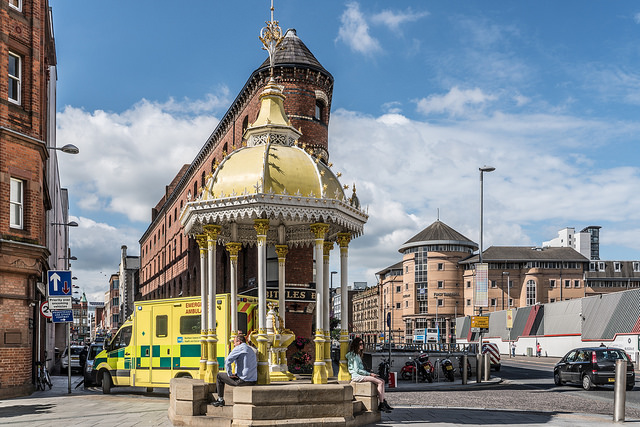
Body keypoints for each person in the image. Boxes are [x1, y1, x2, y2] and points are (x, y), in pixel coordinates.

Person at [345, 337, 393, 413]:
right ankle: (381, 404)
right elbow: (357, 370)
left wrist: (369, 373)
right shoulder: (354, 355)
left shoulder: (358, 355)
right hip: (357, 376)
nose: (362, 345)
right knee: (380, 382)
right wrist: (369, 374)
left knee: (382, 381)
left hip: (360, 375)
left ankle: (383, 401)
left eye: (362, 344)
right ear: (356, 345)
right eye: (360, 344)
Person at [212, 333, 257, 407]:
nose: (234, 345)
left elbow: (227, 361)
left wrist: (229, 374)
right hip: (253, 380)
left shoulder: (239, 348)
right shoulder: (251, 349)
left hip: (243, 380)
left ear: (239, 342)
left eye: (234, 342)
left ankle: (220, 400)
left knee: (219, 376)